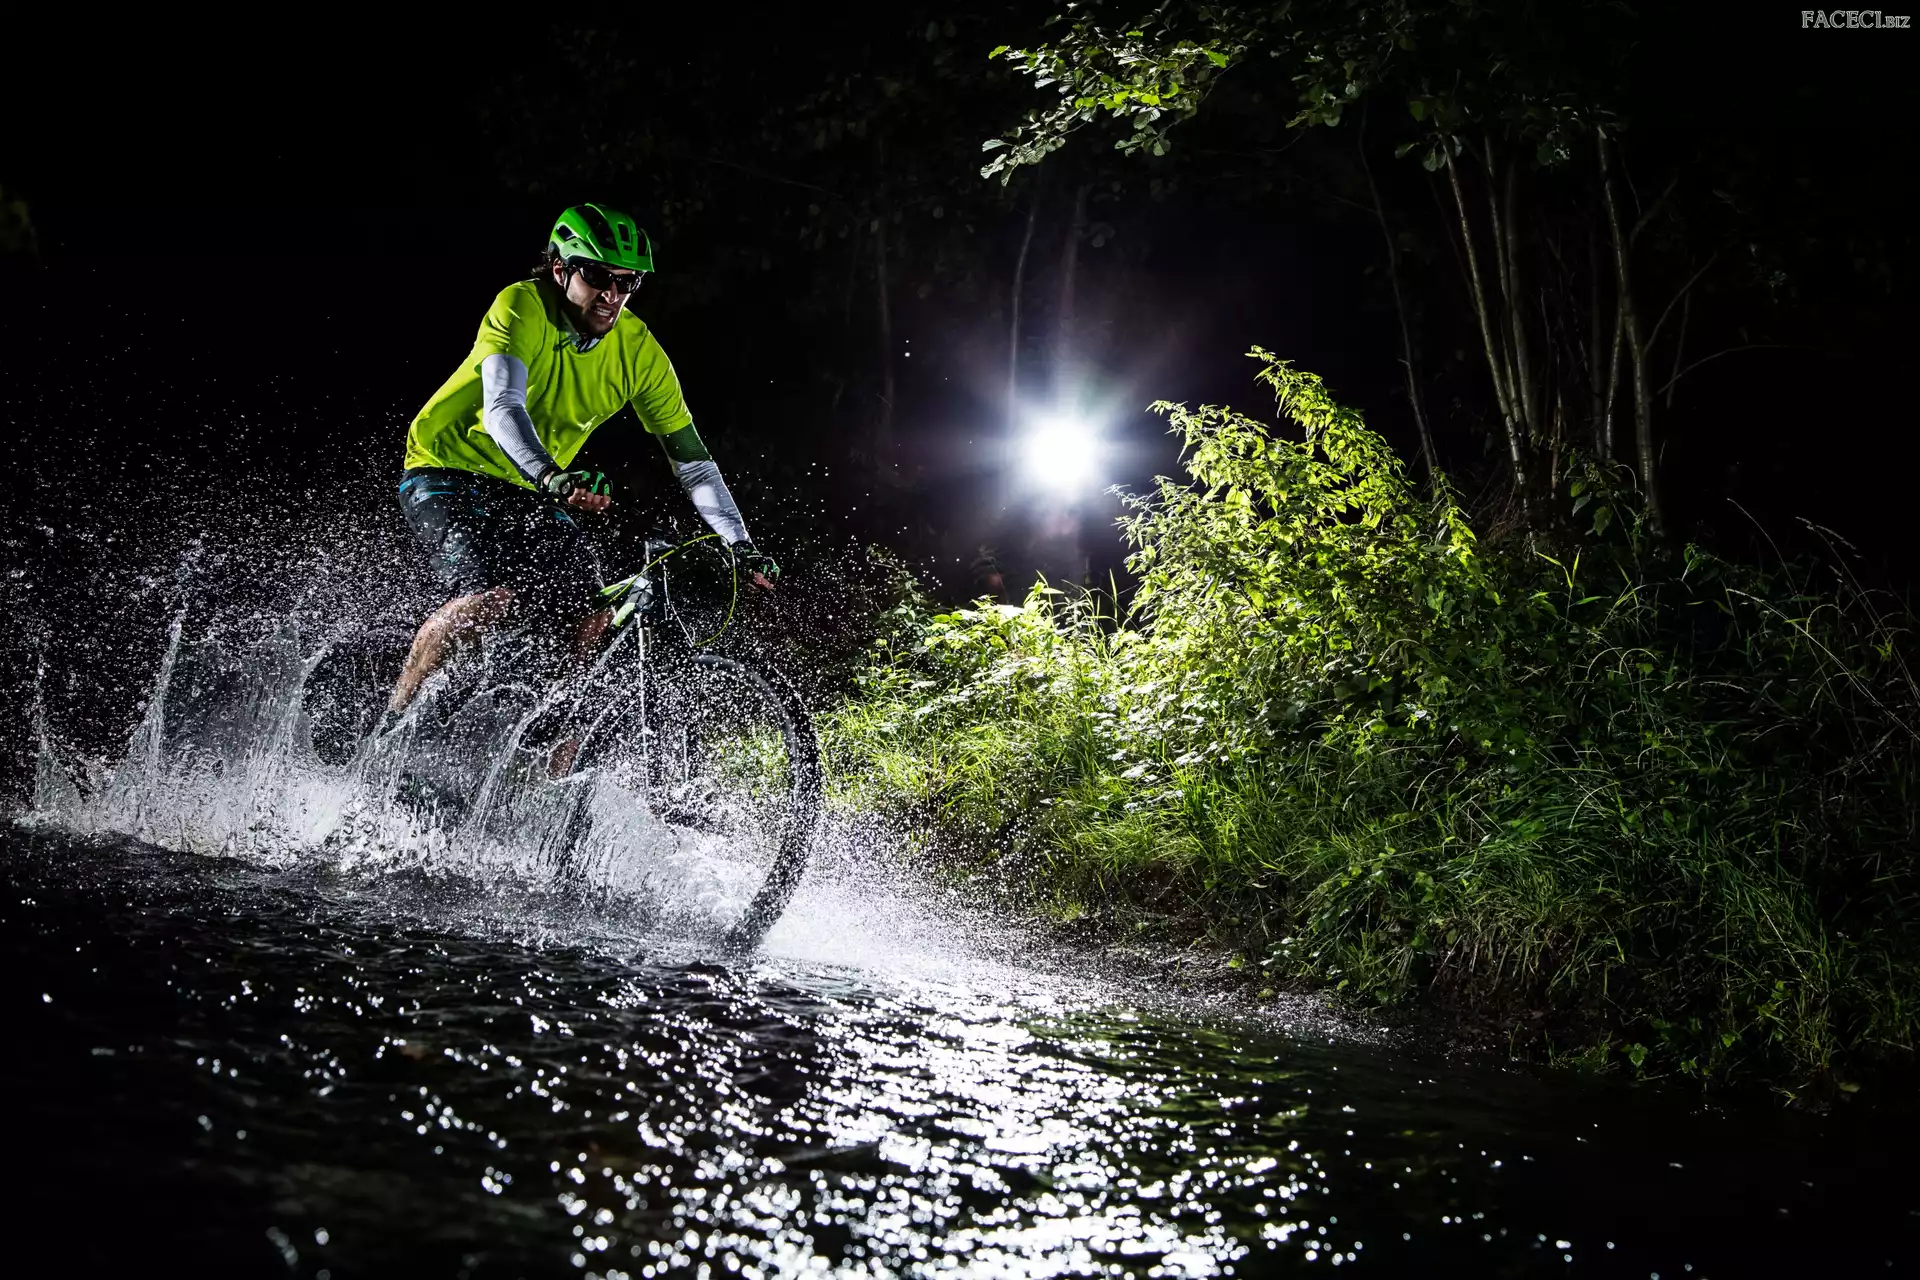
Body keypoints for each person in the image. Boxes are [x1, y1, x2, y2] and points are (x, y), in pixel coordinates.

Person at [385, 203, 776, 732]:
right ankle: (390, 725)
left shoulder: (638, 352)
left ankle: (544, 761)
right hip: (448, 466)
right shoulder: (521, 306)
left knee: (589, 619)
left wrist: (739, 543)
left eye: (627, 282)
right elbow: (502, 409)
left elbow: (695, 465)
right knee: (488, 600)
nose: (612, 294)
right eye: (597, 276)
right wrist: (551, 476)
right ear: (560, 269)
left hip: (533, 484)